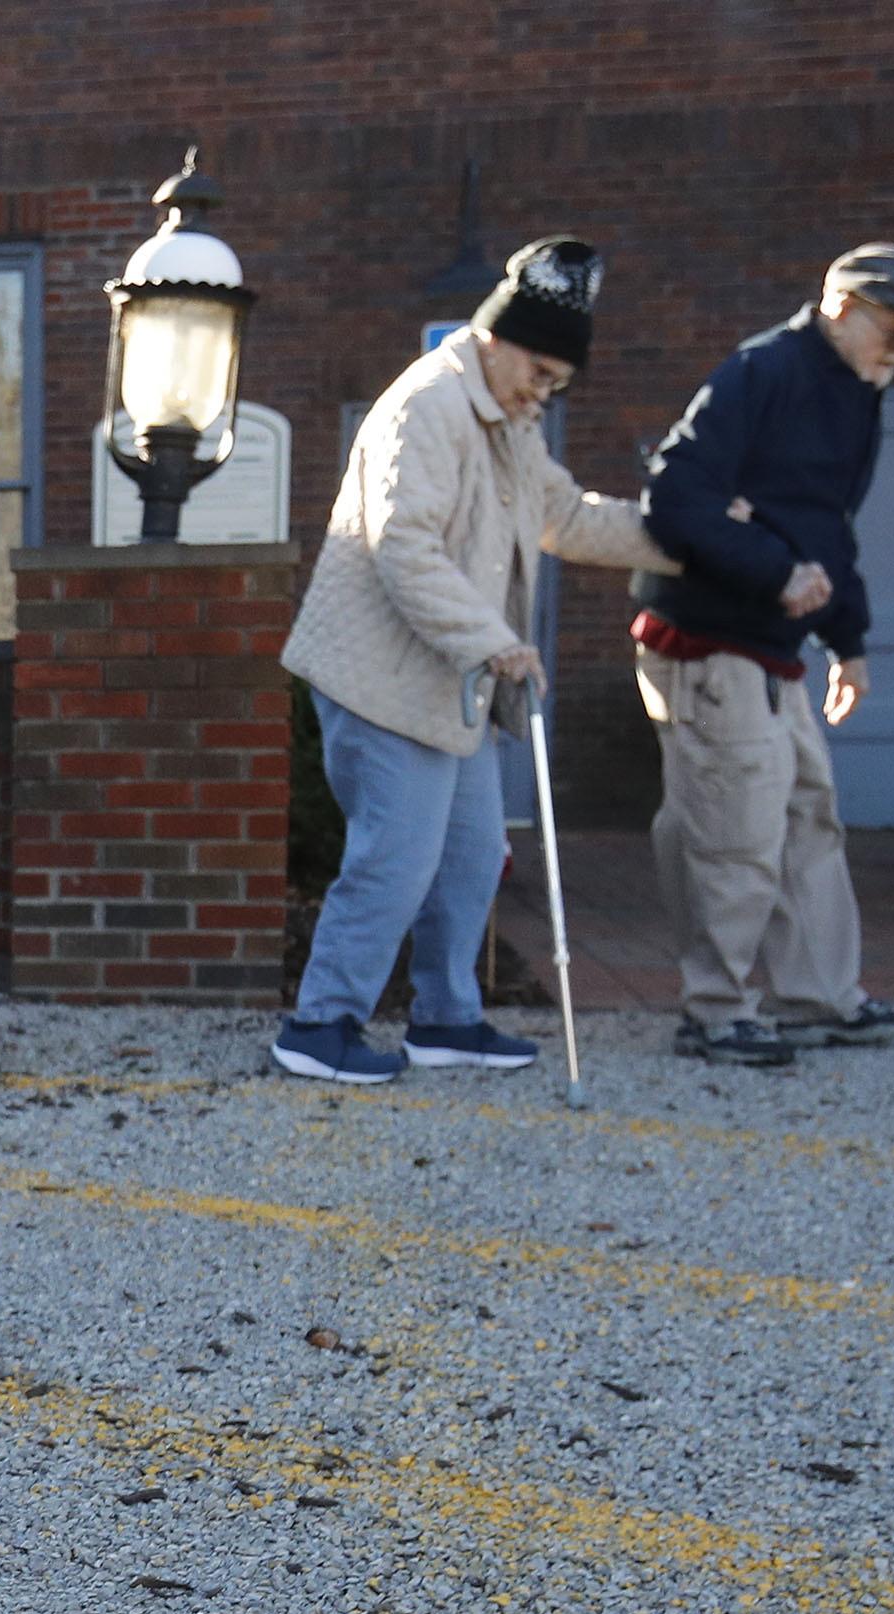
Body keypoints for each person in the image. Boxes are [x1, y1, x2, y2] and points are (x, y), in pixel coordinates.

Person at [274, 237, 678, 1085]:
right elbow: (404, 545)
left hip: (451, 683)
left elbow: (564, 516)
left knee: (469, 854)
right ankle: (319, 1026)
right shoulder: (426, 407)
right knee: (395, 856)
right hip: (383, 678)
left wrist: (691, 540)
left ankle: (447, 1019)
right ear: (496, 337)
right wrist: (491, 641)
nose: (544, 393)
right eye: (538, 371)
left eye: (558, 383)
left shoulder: (509, 424)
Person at [631, 243, 894, 1066]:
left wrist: (849, 641)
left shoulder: (855, 393)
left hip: (770, 650)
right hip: (705, 641)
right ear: (843, 306)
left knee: (809, 818)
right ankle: (715, 1010)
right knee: (732, 828)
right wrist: (776, 573)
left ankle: (819, 997)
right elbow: (674, 497)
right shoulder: (762, 371)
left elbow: (828, 528)